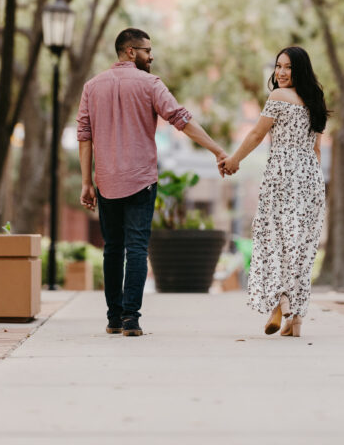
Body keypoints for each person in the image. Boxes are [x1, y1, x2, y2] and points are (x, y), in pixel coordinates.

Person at [77, 27, 228, 337]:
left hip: (106, 181)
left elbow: (84, 135)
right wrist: (218, 150)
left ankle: (114, 318)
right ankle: (131, 319)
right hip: (141, 180)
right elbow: (181, 120)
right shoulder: (150, 84)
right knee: (136, 248)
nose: (151, 55)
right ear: (131, 51)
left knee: (112, 250)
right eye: (147, 50)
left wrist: (86, 182)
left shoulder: (92, 87)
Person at [220, 45, 327, 338]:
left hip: (283, 176)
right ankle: (296, 319)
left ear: (300, 70)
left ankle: (281, 303)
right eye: (278, 66)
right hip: (311, 180)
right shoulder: (315, 101)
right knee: (301, 249)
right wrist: (312, 184)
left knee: (277, 242)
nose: (280, 72)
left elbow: (256, 134)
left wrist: (233, 161)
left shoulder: (278, 97)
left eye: (288, 67)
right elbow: (316, 149)